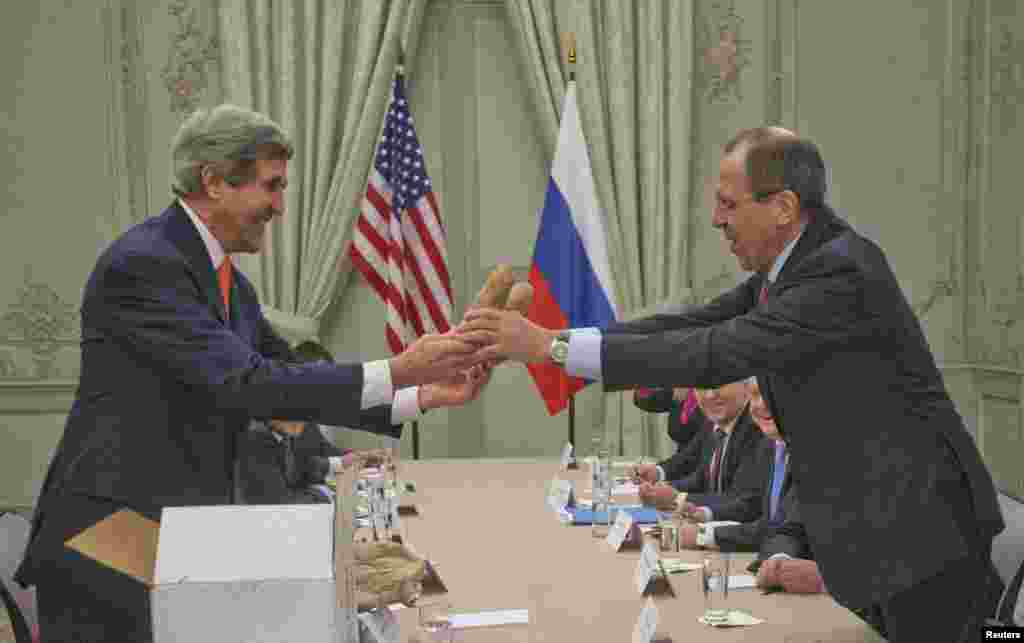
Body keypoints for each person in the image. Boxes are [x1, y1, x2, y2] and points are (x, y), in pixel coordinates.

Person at [460, 126, 1006, 641]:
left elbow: (714, 352)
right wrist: (556, 342)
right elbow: (695, 324)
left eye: (728, 204)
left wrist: (547, 348)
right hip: (875, 538)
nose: (716, 220)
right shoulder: (793, 270)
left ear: (784, 207)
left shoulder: (839, 274)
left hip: (921, 534)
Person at [16, 104, 490, 642]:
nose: (280, 207)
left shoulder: (229, 284)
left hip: (177, 532)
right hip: (111, 532)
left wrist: (418, 392)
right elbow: (246, 384)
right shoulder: (144, 264)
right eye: (271, 186)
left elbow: (284, 379)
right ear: (213, 181)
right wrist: (398, 367)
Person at [678, 377, 790, 551]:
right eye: (755, 396)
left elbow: (780, 526)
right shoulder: (770, 444)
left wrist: (706, 535)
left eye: (769, 396)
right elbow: (755, 507)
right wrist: (705, 514)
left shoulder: (758, 433)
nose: (761, 405)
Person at [638, 380, 765, 526]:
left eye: (719, 385)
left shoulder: (758, 427)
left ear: (746, 386)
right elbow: (700, 479)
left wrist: (678, 499)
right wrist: (659, 491)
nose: (710, 395)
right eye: (702, 388)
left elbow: (743, 500)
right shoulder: (714, 420)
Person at [632, 387, 708, 481]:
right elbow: (645, 400)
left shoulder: (713, 400)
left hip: (702, 474)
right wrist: (657, 471)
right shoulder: (677, 390)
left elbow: (699, 450)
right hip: (682, 468)